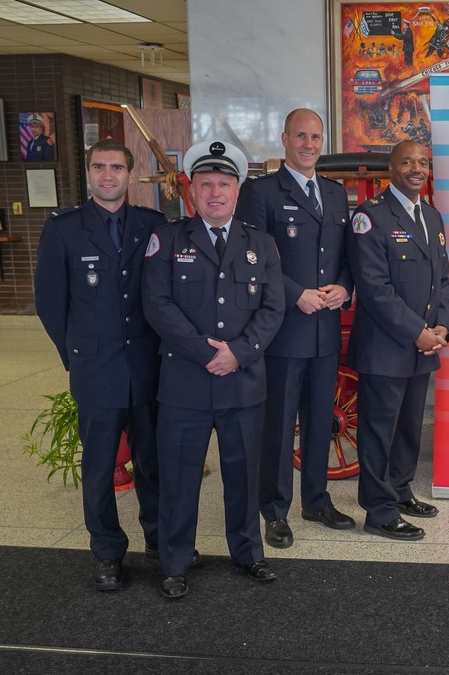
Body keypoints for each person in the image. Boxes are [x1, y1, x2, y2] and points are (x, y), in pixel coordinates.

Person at [142, 140, 285, 599]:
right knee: (180, 475)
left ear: (237, 190)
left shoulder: (260, 244)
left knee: (243, 474)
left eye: (224, 183)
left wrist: (239, 353)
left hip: (243, 383)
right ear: (192, 190)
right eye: (206, 184)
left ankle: (248, 553)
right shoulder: (167, 239)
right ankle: (176, 561)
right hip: (185, 381)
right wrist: (206, 353)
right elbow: (157, 305)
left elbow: (273, 307)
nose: (215, 192)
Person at [34, 139, 166, 591]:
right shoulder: (64, 229)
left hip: (146, 366)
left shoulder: (151, 225)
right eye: (99, 167)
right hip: (96, 370)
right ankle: (108, 552)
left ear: (130, 175)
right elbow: (50, 305)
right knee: (99, 467)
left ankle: (158, 537)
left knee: (153, 461)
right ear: (88, 173)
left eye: (116, 167)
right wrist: (75, 355)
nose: (107, 175)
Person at [236, 109, 355, 550]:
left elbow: (347, 254)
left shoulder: (334, 193)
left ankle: (317, 500)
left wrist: (345, 286)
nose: (309, 144)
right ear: (284, 138)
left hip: (325, 328)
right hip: (283, 329)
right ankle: (274, 509)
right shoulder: (261, 192)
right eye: (301, 136)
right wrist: (293, 293)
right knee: (280, 423)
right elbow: (250, 259)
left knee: (321, 419)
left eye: (316, 136)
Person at [346, 140, 449, 542]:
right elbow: (373, 289)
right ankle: (379, 509)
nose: (416, 169)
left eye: (423, 163)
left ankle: (401, 490)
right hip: (387, 347)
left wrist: (441, 328)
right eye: (407, 161)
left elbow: (442, 280)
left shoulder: (432, 216)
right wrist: (418, 333)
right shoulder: (370, 217)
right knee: (379, 430)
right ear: (390, 167)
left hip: (424, 345)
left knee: (408, 426)